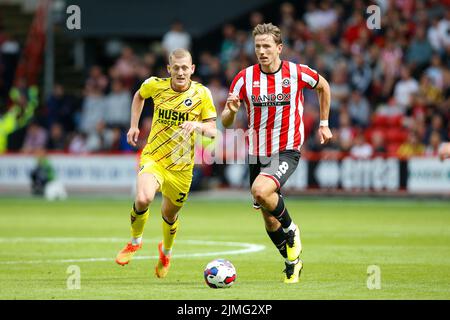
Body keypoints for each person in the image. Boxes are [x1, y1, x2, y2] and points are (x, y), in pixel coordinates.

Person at [221, 23, 332, 284]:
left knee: (260, 191)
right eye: (257, 46)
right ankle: (292, 263)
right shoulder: (243, 78)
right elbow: (225, 121)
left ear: (279, 48)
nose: (261, 51)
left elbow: (323, 86)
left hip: (286, 150)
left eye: (267, 46)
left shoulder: (296, 72)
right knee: (269, 220)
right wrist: (232, 111)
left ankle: (292, 229)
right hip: (257, 154)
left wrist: (324, 123)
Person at [115, 49, 217, 279]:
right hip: (154, 158)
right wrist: (134, 125)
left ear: (192, 69)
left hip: (182, 168)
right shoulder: (155, 85)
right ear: (169, 69)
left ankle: (166, 252)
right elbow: (139, 96)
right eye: (176, 68)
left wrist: (198, 126)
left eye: (185, 68)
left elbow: (212, 131)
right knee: (143, 198)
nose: (180, 72)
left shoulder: (202, 94)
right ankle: (134, 242)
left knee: (170, 215)